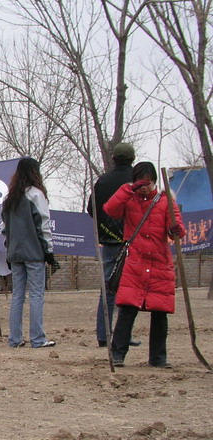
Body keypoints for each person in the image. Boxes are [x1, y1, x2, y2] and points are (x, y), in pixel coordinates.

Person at [102, 161, 183, 368]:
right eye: (140, 182)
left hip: (159, 262)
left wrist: (176, 230)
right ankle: (118, 354)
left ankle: (158, 358)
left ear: (155, 181)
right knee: (127, 309)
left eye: (147, 182)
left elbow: (178, 230)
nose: (144, 186)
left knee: (160, 312)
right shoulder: (129, 199)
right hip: (135, 262)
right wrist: (128, 189)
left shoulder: (166, 202)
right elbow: (110, 209)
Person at [0, 156, 58, 349]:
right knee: (36, 295)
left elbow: (4, 229)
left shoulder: (8, 198)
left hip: (15, 254)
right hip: (34, 253)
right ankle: (38, 338)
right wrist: (48, 251)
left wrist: (9, 250)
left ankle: (14, 339)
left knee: (17, 295)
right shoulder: (36, 195)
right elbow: (43, 224)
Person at [89, 142, 138, 348]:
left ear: (114, 159)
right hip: (133, 241)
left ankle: (103, 334)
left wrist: (105, 227)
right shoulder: (136, 182)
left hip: (108, 241)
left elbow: (91, 209)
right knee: (129, 289)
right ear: (132, 159)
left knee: (108, 288)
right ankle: (122, 336)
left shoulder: (103, 181)